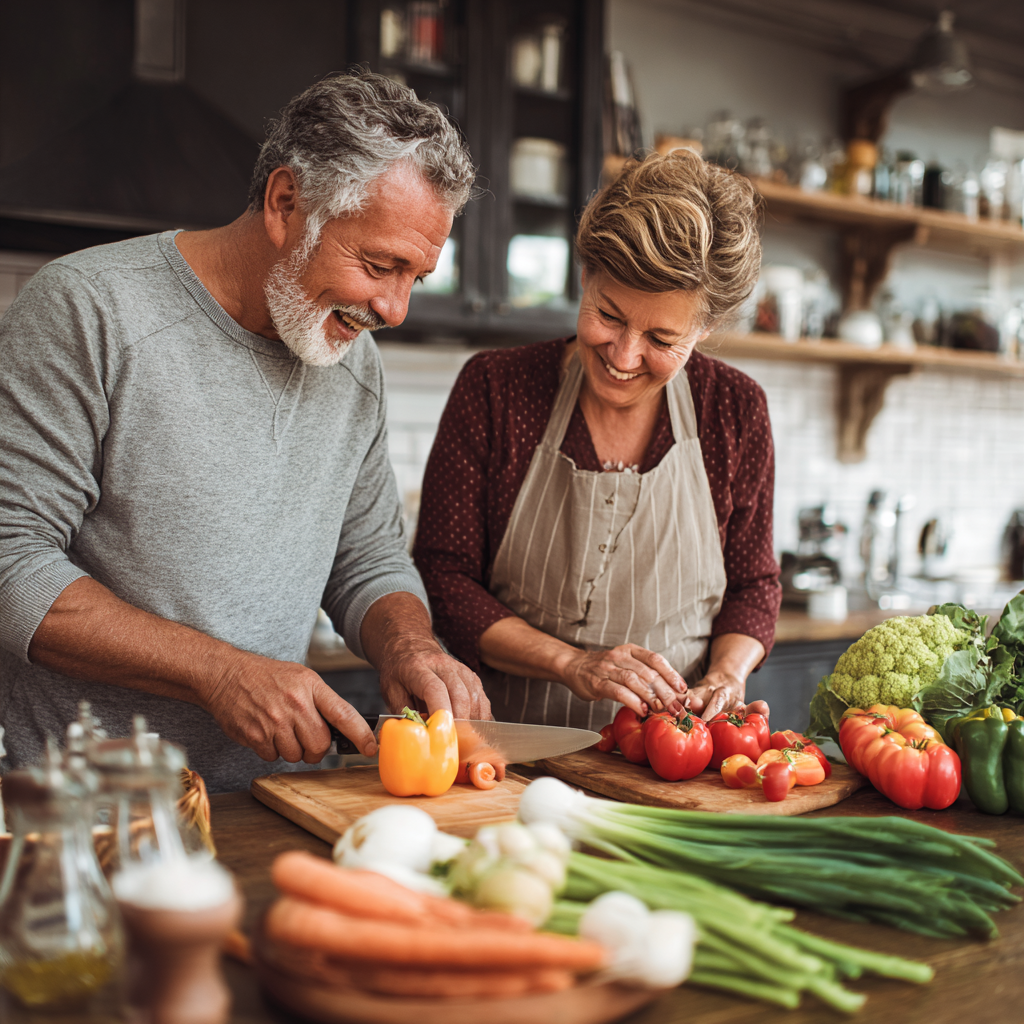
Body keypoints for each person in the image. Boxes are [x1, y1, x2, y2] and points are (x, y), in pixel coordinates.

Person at [0, 73, 490, 792]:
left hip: (276, 801)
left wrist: (410, 646)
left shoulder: (353, 366)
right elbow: (11, 562)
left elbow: (368, 559)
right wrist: (219, 673)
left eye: (416, 275)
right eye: (381, 265)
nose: (396, 308)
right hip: (88, 811)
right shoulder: (89, 310)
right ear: (286, 203)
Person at [414, 150, 780, 730]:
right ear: (585, 275)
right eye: (609, 315)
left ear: (704, 328)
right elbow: (443, 577)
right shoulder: (495, 388)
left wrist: (726, 675)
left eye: (662, 336)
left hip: (670, 757)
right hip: (512, 752)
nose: (625, 356)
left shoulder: (733, 410)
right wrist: (572, 663)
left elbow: (754, 585)